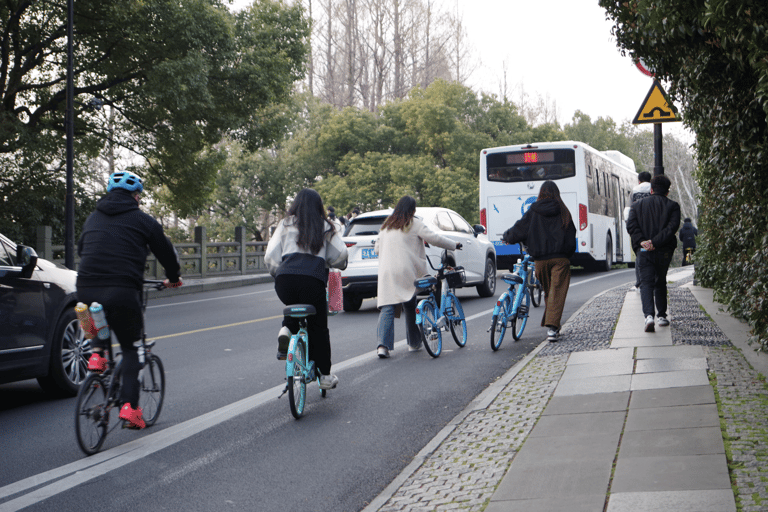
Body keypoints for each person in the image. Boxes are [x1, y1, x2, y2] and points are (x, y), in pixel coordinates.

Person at [77, 170, 182, 429]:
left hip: (84, 291)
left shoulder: (92, 218)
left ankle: (96, 354)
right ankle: (130, 409)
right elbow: (166, 253)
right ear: (136, 197)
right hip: (122, 292)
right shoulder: (143, 220)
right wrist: (174, 277)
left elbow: (82, 249)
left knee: (92, 318)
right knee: (132, 348)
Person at [265, 188, 348, 390]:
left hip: (285, 281)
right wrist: (329, 261)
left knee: (294, 303)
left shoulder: (284, 224)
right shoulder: (325, 226)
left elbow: (270, 257)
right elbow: (341, 255)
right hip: (312, 281)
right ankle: (325, 376)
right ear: (319, 206)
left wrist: (278, 273)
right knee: (318, 327)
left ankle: (286, 330)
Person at [374, 196, 461, 358]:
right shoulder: (413, 223)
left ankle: (382, 347)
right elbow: (434, 238)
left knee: (388, 306)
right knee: (410, 303)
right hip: (406, 271)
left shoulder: (387, 226)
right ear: (412, 210)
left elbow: (377, 249)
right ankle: (414, 343)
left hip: (387, 272)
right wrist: (453, 245)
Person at [502, 180, 576, 342]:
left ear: (540, 193)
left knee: (550, 291)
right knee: (557, 292)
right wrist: (567, 255)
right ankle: (552, 327)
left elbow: (519, 229)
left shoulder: (533, 211)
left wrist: (507, 237)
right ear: (557, 193)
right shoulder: (564, 211)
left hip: (541, 261)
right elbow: (571, 238)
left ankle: (552, 325)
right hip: (560, 259)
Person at [626, 174, 681, 332]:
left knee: (646, 282)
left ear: (651, 190)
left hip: (643, 249)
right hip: (663, 249)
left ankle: (648, 316)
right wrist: (655, 242)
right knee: (660, 280)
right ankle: (662, 315)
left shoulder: (637, 206)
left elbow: (632, 226)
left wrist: (643, 241)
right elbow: (671, 228)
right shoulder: (673, 206)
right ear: (667, 192)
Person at [626, 171, 652, 290]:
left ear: (639, 181)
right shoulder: (653, 190)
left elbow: (628, 211)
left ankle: (639, 281)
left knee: (639, 255)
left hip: (638, 229)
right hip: (652, 228)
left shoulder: (634, 191)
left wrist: (629, 227)